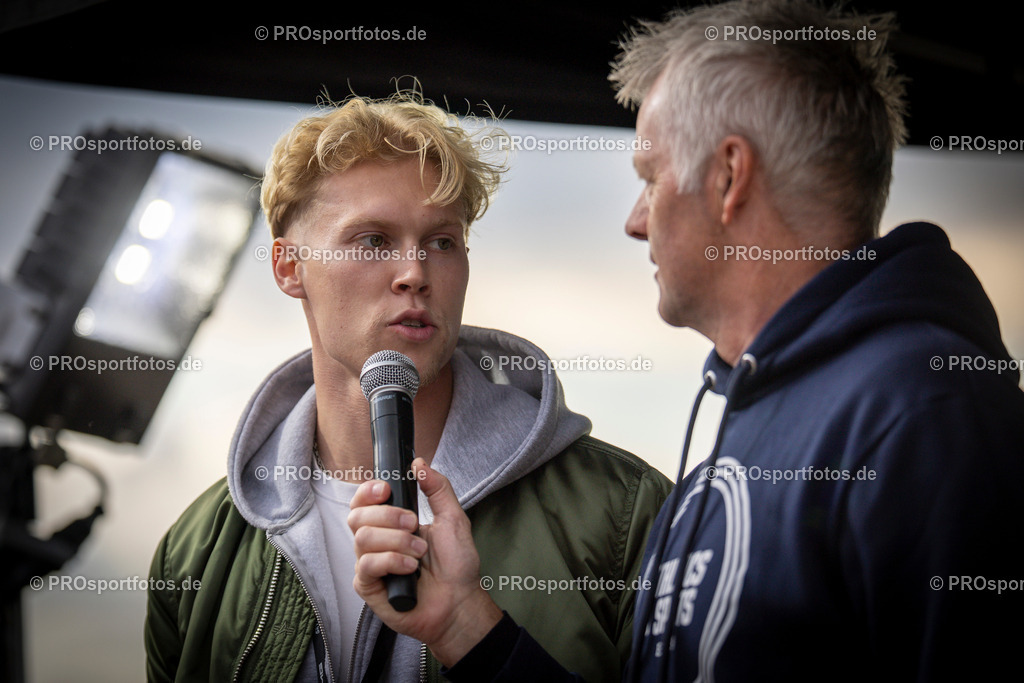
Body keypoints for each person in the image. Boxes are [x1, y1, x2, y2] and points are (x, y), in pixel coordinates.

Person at [346, 1, 1024, 681]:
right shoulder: (740, 439)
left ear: (729, 175)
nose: (635, 221)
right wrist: (463, 622)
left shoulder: (929, 417)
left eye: (649, 176)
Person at [143, 92, 672, 683]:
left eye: (441, 242)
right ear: (289, 268)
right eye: (372, 241)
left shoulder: (625, 515)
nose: (414, 273)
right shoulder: (195, 552)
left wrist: (470, 632)